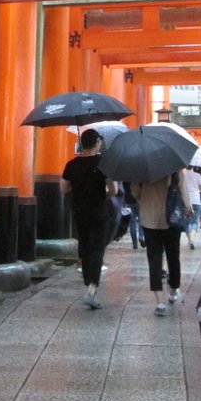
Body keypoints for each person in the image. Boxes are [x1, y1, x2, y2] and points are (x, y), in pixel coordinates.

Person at [60, 129, 118, 310]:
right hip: (99, 212)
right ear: (96, 143)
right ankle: (92, 289)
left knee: (84, 246)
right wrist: (105, 192)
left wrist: (78, 188)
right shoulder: (103, 163)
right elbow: (114, 190)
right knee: (97, 248)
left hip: (80, 212)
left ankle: (88, 282)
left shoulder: (71, 164)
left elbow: (63, 188)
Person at [131, 171, 192, 316]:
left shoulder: (142, 169)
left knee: (154, 259)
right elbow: (183, 189)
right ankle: (173, 289)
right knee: (173, 256)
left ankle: (159, 301)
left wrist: (144, 197)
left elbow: (135, 192)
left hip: (149, 219)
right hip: (170, 219)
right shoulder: (174, 167)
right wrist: (188, 207)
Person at [182, 166, 201, 250]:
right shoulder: (198, 175)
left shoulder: (182, 175)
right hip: (196, 199)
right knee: (194, 220)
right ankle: (193, 239)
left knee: (187, 221)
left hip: (186, 199)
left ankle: (189, 239)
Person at [123, 181, 145, 249]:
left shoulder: (124, 176)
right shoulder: (139, 176)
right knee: (141, 220)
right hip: (139, 200)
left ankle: (134, 244)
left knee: (132, 223)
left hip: (128, 201)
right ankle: (141, 236)